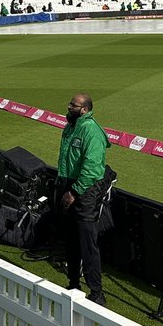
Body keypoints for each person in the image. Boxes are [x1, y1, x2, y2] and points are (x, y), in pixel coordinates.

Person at [55, 92, 111, 306]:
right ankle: (73, 284)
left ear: (85, 109)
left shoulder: (91, 131)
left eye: (74, 105)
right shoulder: (70, 127)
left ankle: (97, 293)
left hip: (85, 191)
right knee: (71, 239)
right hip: (70, 185)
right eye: (70, 103)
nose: (69, 107)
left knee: (87, 243)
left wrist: (74, 192)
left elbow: (92, 167)